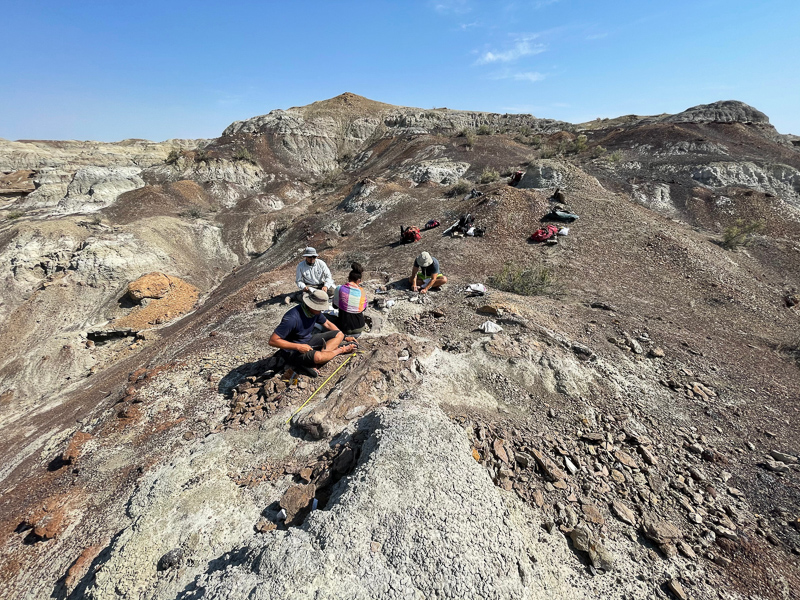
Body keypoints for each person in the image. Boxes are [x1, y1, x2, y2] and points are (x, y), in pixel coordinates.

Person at [269, 289, 356, 377]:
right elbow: (273, 341)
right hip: (292, 351)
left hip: (308, 340)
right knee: (318, 357)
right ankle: (338, 350)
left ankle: (318, 358)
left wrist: (345, 337)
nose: (321, 310)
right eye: (319, 308)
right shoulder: (292, 318)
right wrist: (299, 346)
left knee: (339, 334)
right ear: (311, 306)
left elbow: (327, 323)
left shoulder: (313, 312)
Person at [332, 265, 368, 335]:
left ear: (348, 278)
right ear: (359, 281)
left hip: (344, 328)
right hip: (360, 327)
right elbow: (363, 309)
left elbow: (334, 306)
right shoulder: (362, 292)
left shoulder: (339, 289)